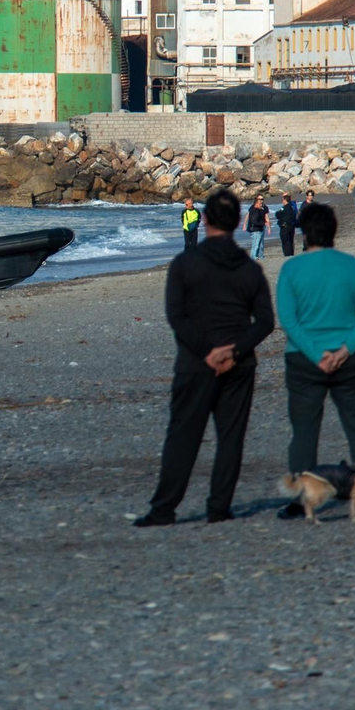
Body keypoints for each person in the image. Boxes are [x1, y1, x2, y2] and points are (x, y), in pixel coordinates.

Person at [137, 189, 275, 527]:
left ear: (207, 219)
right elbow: (266, 322)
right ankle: (219, 507)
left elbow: (176, 315)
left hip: (195, 362)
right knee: (230, 437)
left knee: (184, 434)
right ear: (234, 224)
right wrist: (234, 350)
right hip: (238, 362)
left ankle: (164, 508)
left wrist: (207, 352)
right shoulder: (248, 268)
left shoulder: (186, 263)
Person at [275, 204, 355, 518]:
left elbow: (288, 319)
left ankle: (301, 497)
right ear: (334, 232)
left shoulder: (291, 269)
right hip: (349, 358)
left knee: (303, 430)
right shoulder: (351, 265)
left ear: (303, 232)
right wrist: (344, 350)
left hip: (304, 359)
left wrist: (318, 355)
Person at [245, 194, 270, 259]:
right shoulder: (253, 208)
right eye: (259, 199)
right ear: (256, 200)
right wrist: (244, 224)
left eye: (262, 199)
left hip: (261, 227)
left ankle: (260, 256)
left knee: (261, 243)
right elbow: (248, 216)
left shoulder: (265, 207)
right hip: (255, 228)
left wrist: (268, 227)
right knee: (256, 243)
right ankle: (254, 256)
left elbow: (266, 217)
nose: (261, 201)